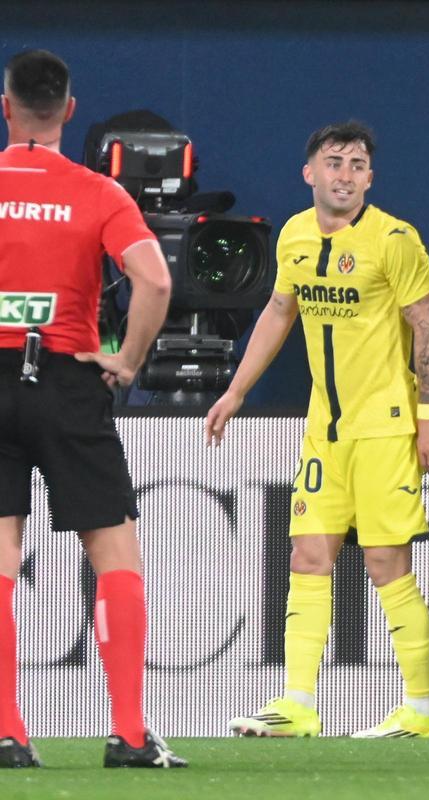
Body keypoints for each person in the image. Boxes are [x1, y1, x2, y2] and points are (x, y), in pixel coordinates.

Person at [206, 121, 429, 739]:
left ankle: (423, 710)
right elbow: (279, 310)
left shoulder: (394, 239)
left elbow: (427, 328)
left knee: (384, 562)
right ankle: (297, 704)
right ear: (309, 172)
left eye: (357, 165)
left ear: (371, 178)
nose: (345, 175)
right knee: (308, 556)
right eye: (334, 162)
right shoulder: (292, 235)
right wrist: (235, 391)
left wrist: (428, 421)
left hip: (386, 428)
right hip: (325, 430)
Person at [0, 49, 186, 768]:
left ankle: (9, 733)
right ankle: (130, 735)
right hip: (70, 377)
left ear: (5, 106)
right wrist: (129, 359)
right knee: (113, 553)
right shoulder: (96, 191)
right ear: (69, 112)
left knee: (2, 559)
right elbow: (156, 282)